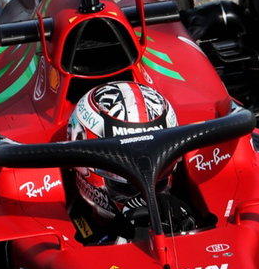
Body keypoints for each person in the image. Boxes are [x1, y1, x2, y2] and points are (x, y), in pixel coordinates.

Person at [65, 81, 200, 241]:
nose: (144, 193)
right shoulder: (62, 219)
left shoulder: (183, 209)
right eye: (127, 186)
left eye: (157, 181)